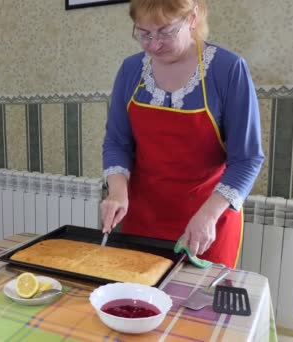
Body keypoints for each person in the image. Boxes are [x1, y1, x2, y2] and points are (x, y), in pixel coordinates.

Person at [101, 0, 264, 268]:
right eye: (144, 33)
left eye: (165, 32)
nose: (154, 45)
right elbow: (117, 141)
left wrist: (209, 215)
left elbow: (247, 158)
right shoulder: (131, 70)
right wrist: (117, 192)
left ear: (192, 18)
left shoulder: (228, 69)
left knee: (197, 307)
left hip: (206, 220)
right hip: (143, 218)